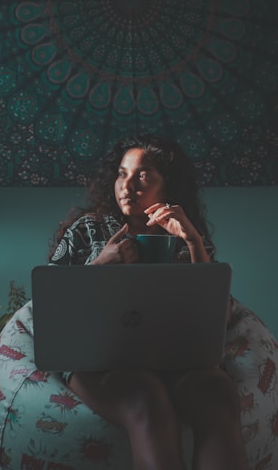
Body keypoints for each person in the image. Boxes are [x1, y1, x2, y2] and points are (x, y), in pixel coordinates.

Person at [48, 134, 248, 470]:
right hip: (101, 363)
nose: (127, 185)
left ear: (168, 184)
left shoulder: (184, 234)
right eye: (122, 173)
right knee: (146, 398)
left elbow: (221, 315)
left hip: (179, 358)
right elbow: (52, 307)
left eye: (142, 175)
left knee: (218, 395)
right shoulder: (88, 230)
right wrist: (101, 266)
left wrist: (194, 241)